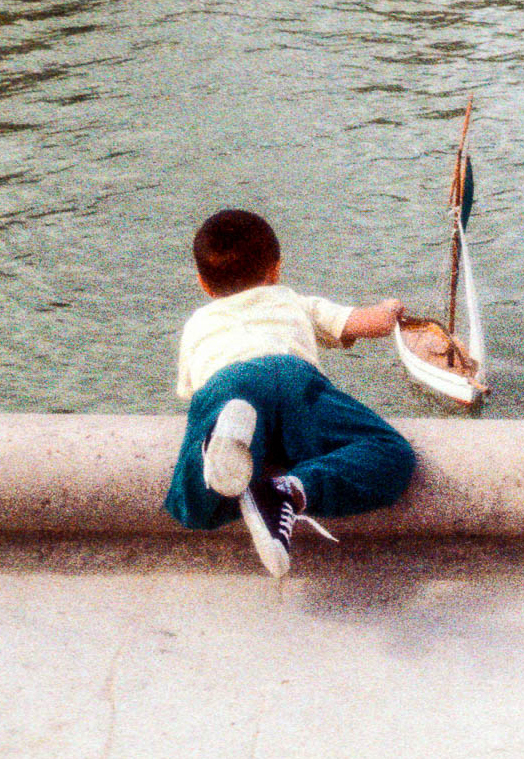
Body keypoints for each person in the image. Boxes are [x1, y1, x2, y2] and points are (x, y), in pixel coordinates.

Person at [164, 208, 415, 576]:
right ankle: (290, 490)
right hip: (295, 378)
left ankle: (216, 445)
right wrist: (390, 309)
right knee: (389, 453)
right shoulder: (292, 301)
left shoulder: (197, 325)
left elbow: (192, 393)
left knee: (195, 506)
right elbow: (368, 323)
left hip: (227, 384)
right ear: (276, 269)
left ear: (203, 283)